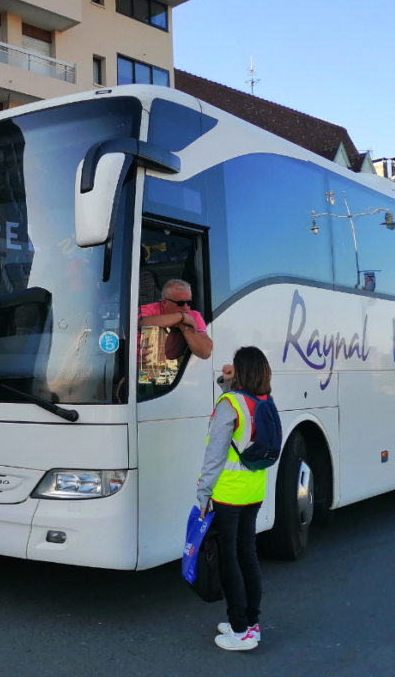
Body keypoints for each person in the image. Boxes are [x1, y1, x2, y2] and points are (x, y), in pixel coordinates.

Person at [197, 347, 272, 651]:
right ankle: (250, 624)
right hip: (254, 492)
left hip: (228, 494)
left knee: (229, 559)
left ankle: (239, 631)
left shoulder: (230, 404)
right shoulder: (264, 400)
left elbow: (215, 455)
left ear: (240, 372)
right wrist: (229, 382)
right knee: (247, 556)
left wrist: (203, 494)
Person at [138, 279, 212, 361]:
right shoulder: (149, 309)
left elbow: (205, 352)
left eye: (189, 303)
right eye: (180, 303)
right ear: (165, 303)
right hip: (138, 366)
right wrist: (181, 317)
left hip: (176, 370)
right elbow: (142, 322)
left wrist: (183, 326)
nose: (186, 307)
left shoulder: (194, 315)